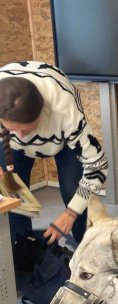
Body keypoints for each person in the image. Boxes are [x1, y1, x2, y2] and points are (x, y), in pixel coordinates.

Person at [0, 61, 108, 245]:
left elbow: (97, 166)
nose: (21, 136)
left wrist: (70, 214)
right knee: (13, 203)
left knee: (75, 196)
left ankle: (85, 251)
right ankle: (23, 252)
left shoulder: (65, 110)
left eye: (26, 130)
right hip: (8, 144)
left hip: (63, 141)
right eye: (13, 129)